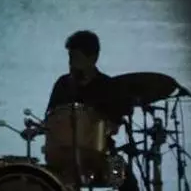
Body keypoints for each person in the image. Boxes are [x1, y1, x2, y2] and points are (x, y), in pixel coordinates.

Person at [42, 30, 136, 191]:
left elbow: (115, 124)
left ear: (93, 58)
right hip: (63, 155)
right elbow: (51, 117)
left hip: (102, 154)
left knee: (124, 178)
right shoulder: (63, 84)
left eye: (76, 58)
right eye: (70, 57)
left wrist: (107, 125)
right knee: (46, 179)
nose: (71, 62)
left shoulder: (108, 86)